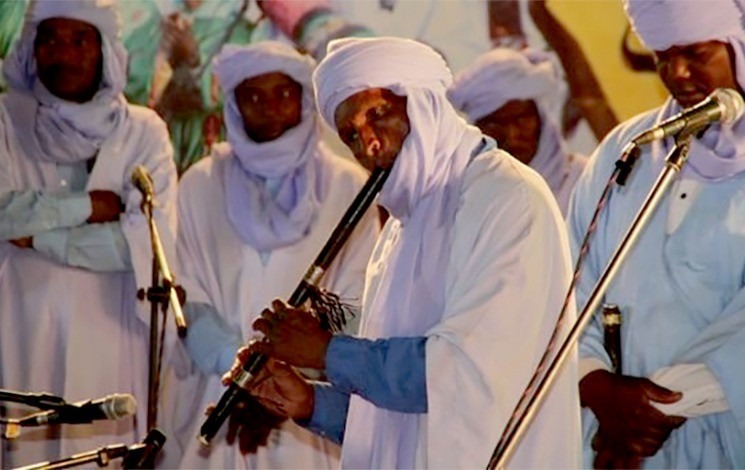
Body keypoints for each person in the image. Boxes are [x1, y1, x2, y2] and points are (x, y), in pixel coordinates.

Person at [227, 36, 582, 468]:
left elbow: (458, 375)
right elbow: (400, 424)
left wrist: (326, 352)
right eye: (351, 135)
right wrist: (308, 402)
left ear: (424, 102)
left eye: (378, 114)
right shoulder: (402, 225)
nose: (369, 144)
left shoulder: (507, 196)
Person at [159, 41, 379, 468]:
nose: (270, 108)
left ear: (303, 99)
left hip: (310, 399)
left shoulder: (347, 186)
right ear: (235, 106)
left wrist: (286, 380)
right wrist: (245, 376)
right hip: (217, 394)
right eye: (254, 97)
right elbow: (190, 302)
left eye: (283, 93)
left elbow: (354, 305)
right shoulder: (200, 184)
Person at [0, 0, 178, 466]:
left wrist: (40, 238)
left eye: (80, 40)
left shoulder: (143, 131)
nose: (65, 53)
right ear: (32, 49)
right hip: (18, 328)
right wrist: (88, 207)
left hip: (110, 336)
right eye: (51, 40)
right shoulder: (4, 120)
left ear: (104, 51)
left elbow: (142, 246)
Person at [569, 0, 745, 467]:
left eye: (696, 54)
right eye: (662, 56)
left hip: (721, 429)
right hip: (611, 432)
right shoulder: (628, 149)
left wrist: (649, 410)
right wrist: (596, 385)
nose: (677, 73)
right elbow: (571, 282)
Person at [448, 47, 588, 216]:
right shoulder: (460, 194)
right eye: (494, 124)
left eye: (522, 119)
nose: (512, 136)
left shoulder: (585, 179)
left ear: (541, 117)